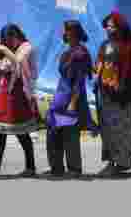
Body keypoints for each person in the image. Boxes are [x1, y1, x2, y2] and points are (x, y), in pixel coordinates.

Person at [0, 24, 42, 178]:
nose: (9, 42)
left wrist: (3, 50)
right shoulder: (8, 49)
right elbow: (4, 67)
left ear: (17, 35)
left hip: (19, 94)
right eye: (6, 40)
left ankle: (31, 167)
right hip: (4, 93)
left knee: (22, 133)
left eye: (11, 38)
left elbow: (17, 61)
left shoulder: (26, 47)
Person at [95, 12, 131, 178]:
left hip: (122, 96)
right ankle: (111, 161)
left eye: (112, 26)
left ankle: (119, 163)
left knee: (120, 130)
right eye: (107, 26)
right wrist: (97, 75)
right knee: (107, 129)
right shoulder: (104, 45)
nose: (108, 29)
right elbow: (99, 63)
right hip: (105, 93)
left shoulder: (129, 48)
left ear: (120, 27)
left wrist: (126, 90)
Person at [46, 20, 94, 179]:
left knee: (70, 133)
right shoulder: (70, 51)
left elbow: (80, 80)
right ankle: (56, 168)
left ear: (72, 33)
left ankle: (74, 168)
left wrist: (73, 103)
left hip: (72, 97)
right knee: (54, 131)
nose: (62, 33)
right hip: (61, 95)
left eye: (64, 31)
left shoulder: (80, 53)